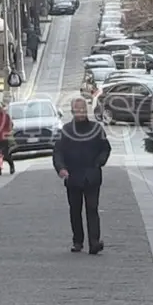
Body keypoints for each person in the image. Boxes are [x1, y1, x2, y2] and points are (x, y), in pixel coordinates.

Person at [53, 98, 110, 255]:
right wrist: (61, 168)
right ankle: (78, 241)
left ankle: (94, 242)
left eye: (83, 109)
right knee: (75, 210)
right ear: (72, 112)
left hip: (92, 176)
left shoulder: (96, 128)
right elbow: (58, 152)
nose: (81, 113)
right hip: (73, 176)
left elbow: (105, 148)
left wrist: (100, 162)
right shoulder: (66, 130)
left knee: (92, 209)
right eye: (77, 110)